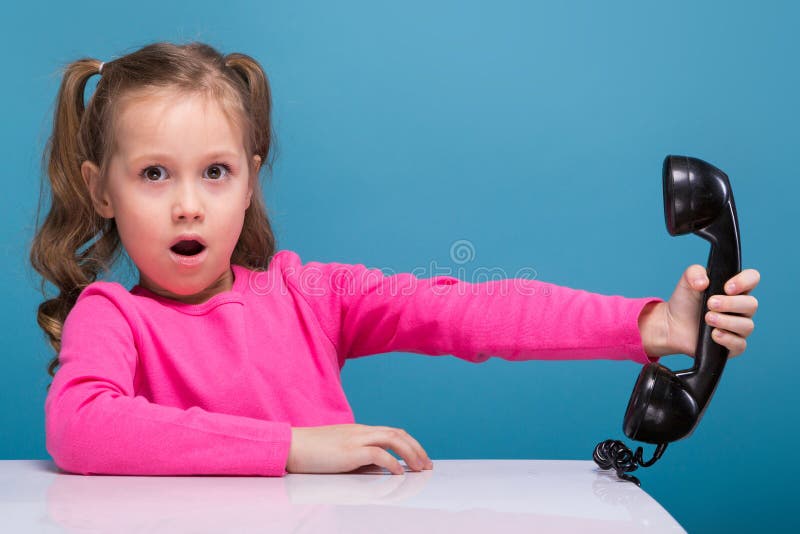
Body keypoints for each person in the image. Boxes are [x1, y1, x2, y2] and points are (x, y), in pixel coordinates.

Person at [29, 41, 760, 478]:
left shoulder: (309, 295)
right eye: (154, 174)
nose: (187, 204)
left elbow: (474, 311)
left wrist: (653, 324)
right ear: (101, 190)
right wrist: (292, 448)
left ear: (249, 180)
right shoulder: (111, 315)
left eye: (214, 172)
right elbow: (81, 427)